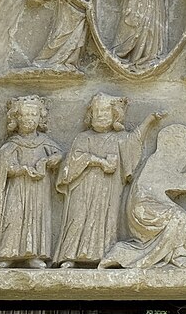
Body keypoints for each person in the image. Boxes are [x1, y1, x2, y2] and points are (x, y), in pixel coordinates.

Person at [53, 94, 163, 267]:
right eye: (96, 111)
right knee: (78, 217)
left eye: (105, 110)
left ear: (115, 114)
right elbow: (72, 161)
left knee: (106, 220)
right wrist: (97, 161)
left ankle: (101, 255)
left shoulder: (119, 138)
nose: (100, 114)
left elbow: (134, 142)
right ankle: (69, 256)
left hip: (108, 190)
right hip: (82, 187)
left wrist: (149, 120)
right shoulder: (83, 138)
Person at [100, 125, 186, 269]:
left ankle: (178, 253)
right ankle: (179, 255)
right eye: (183, 149)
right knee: (178, 217)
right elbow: (182, 182)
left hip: (151, 205)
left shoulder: (160, 161)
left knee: (180, 217)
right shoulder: (157, 162)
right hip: (145, 209)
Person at [0, 96, 62, 268]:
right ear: (16, 118)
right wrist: (22, 169)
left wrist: (50, 160)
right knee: (13, 218)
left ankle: (34, 255)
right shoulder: (12, 145)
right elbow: (5, 167)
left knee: (36, 218)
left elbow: (58, 155)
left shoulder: (45, 143)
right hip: (16, 189)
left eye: (33, 114)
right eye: (25, 115)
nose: (29, 119)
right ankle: (6, 253)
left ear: (40, 118)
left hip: (38, 190)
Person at [27, 0, 88, 71]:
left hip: (80, 15)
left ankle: (70, 62)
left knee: (78, 38)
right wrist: (86, 4)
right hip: (68, 14)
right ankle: (44, 60)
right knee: (60, 36)